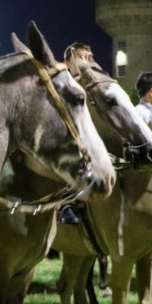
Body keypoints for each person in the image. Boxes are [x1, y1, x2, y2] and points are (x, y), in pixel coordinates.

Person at [57, 42, 94, 226]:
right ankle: (65, 204)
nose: (85, 62)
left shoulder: (89, 85)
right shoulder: (60, 84)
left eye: (88, 58)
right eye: (81, 57)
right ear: (67, 62)